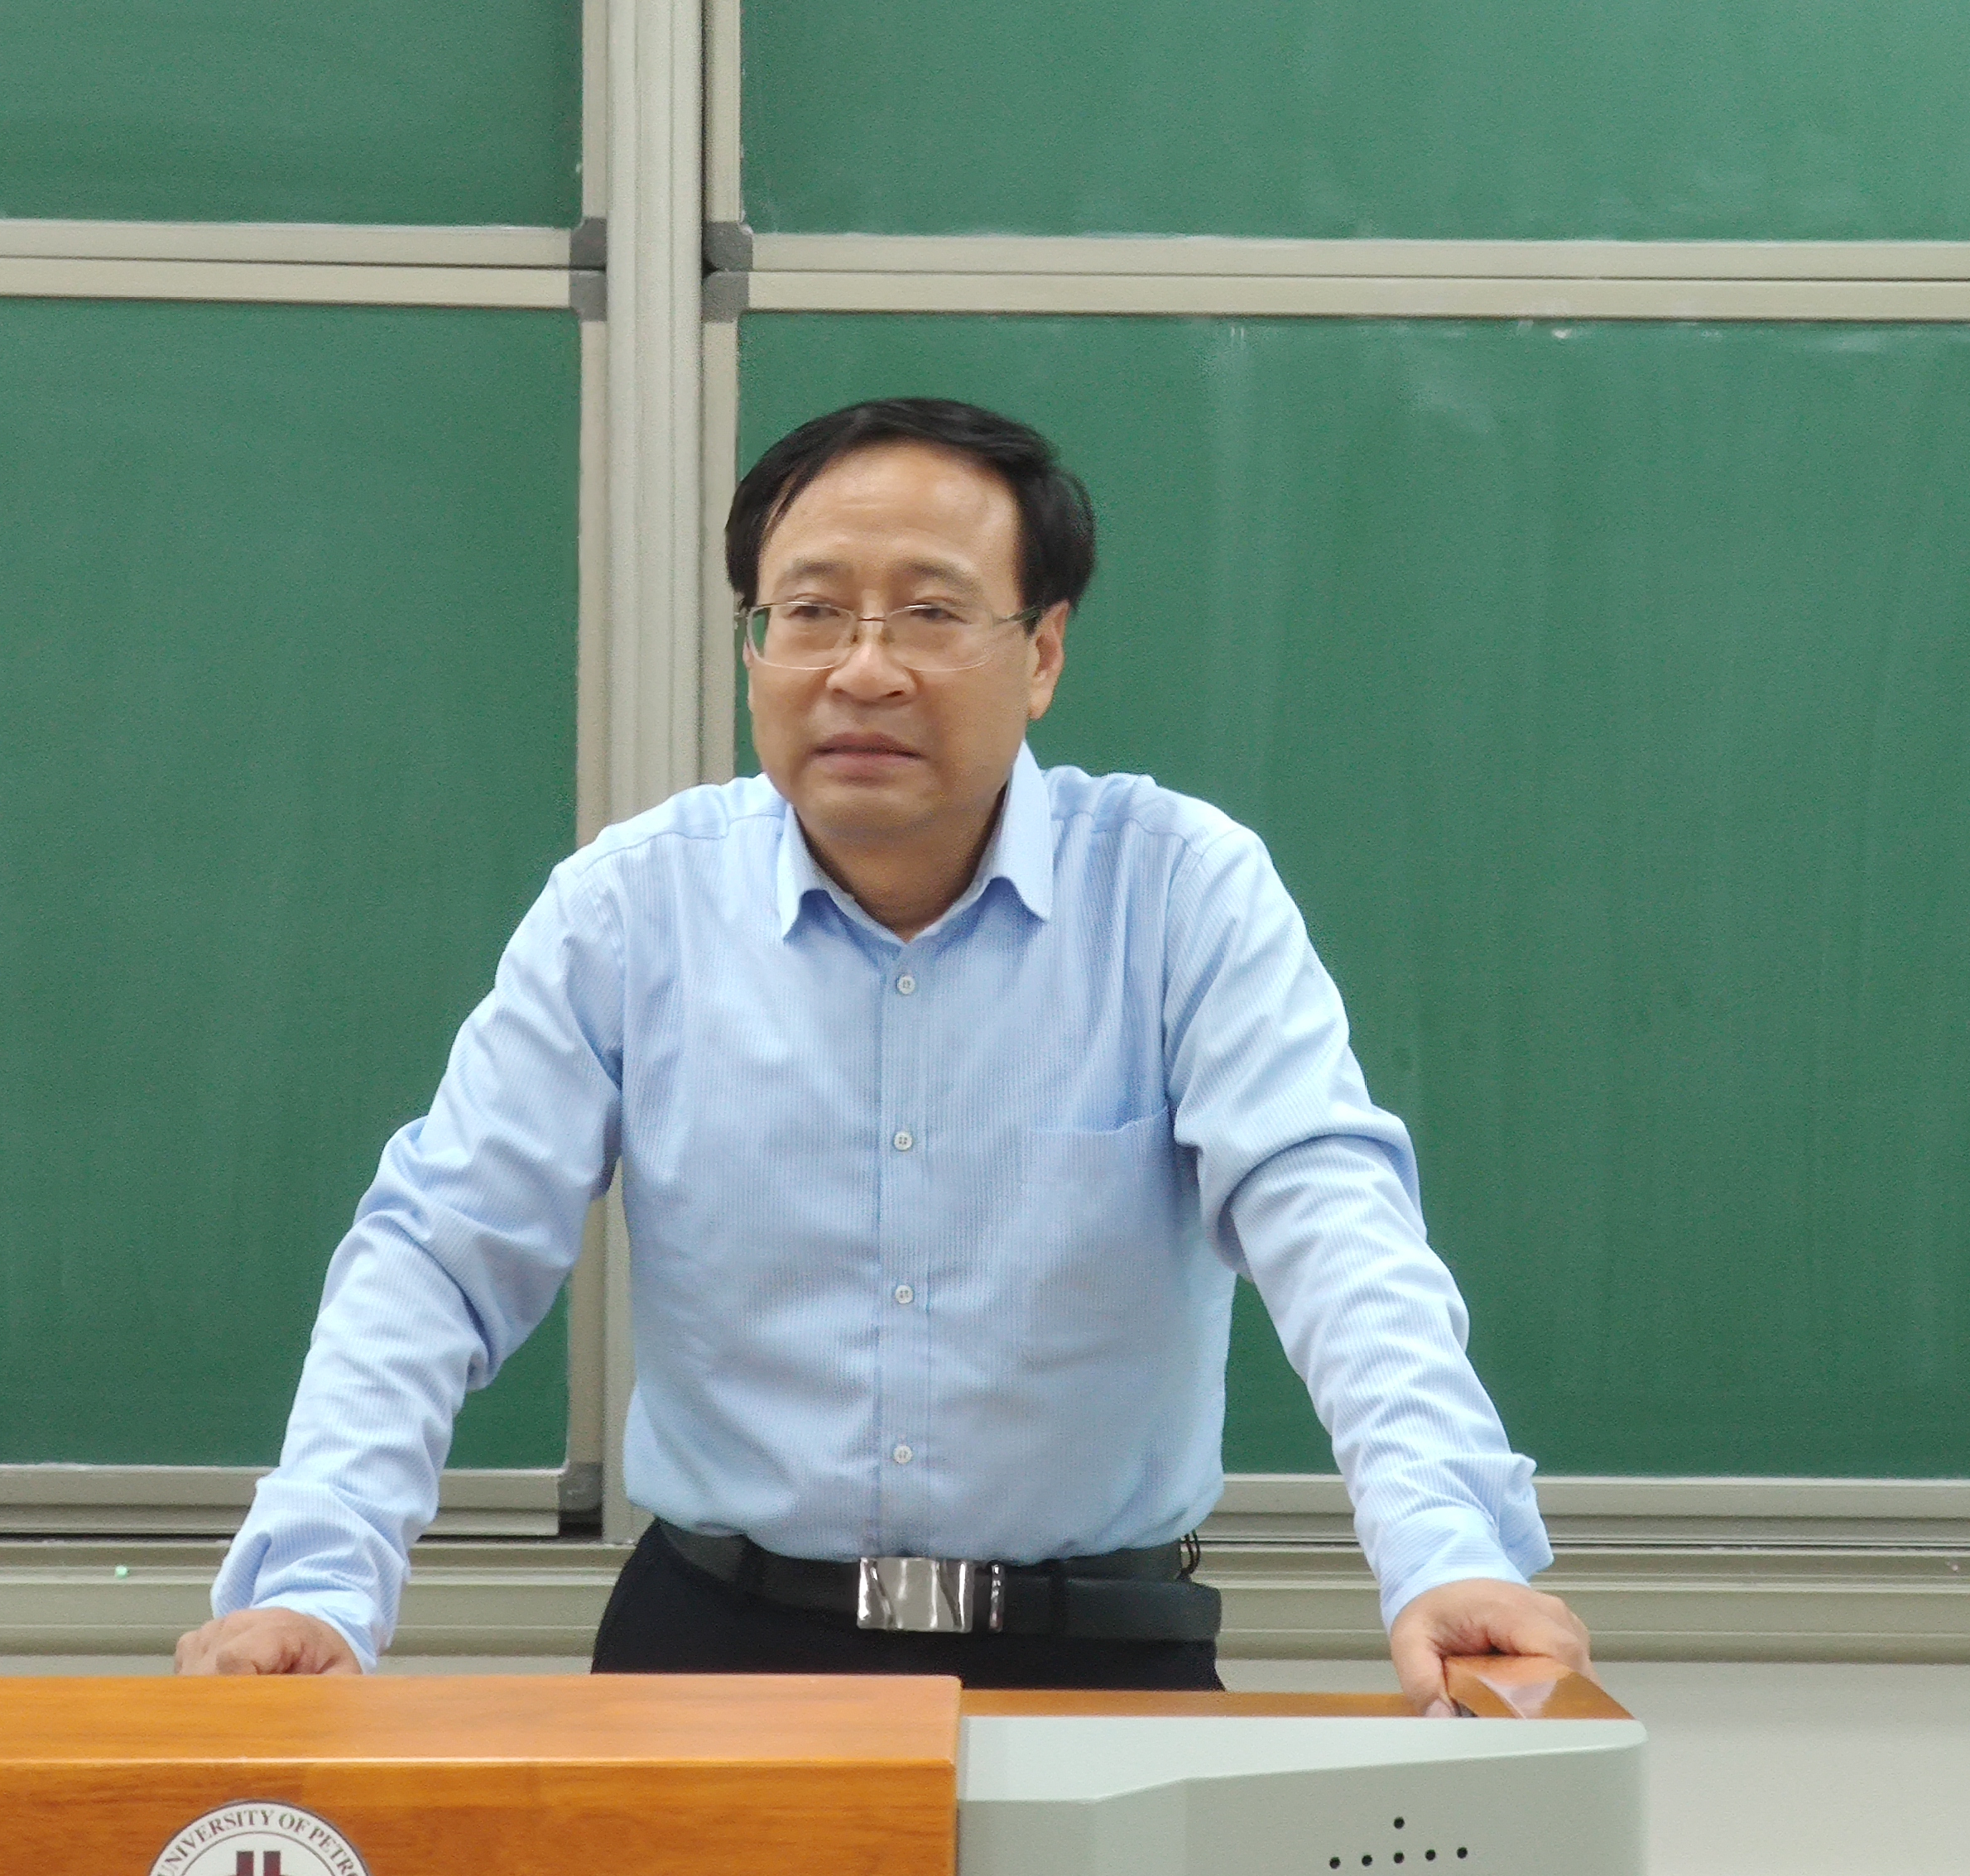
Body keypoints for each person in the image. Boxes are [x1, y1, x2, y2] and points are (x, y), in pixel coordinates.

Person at [175, 397, 1589, 1708]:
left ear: (1042, 654)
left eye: (930, 613)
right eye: (810, 613)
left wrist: (1447, 1548)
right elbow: (440, 1253)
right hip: (715, 1655)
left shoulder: (1179, 892)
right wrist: (316, 1582)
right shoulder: (633, 907)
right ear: (755, 649)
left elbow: (1333, 1224)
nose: (863, 668)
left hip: (1100, 1656)